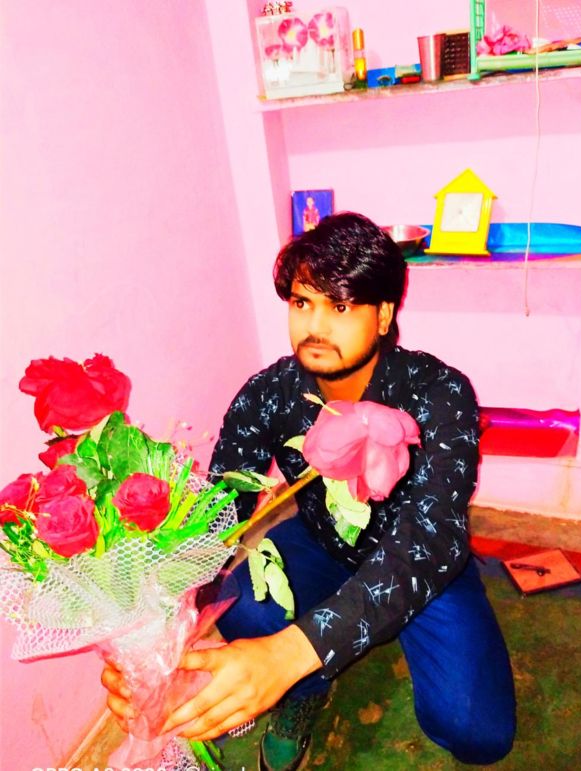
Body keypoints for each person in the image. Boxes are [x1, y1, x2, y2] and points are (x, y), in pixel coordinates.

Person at [102, 212, 516, 770]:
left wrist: (290, 653)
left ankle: (316, 655)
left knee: (476, 733)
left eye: (339, 307)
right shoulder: (268, 393)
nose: (315, 325)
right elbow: (221, 511)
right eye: (302, 303)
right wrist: (156, 631)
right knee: (244, 605)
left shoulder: (439, 391)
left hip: (422, 563)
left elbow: (433, 535)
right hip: (322, 544)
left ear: (384, 314)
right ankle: (307, 689)